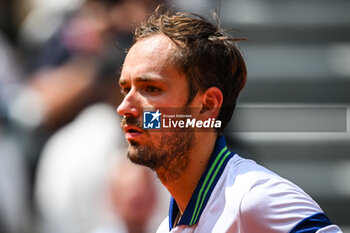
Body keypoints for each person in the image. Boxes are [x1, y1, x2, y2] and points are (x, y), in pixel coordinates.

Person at [116, 8, 343, 233]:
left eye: (151, 89)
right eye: (125, 89)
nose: (124, 107)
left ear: (207, 105)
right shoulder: (167, 227)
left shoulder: (255, 198)